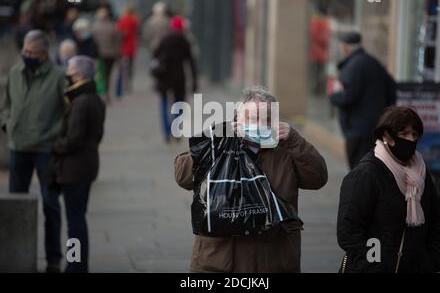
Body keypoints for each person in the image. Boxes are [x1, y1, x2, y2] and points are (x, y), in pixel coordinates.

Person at [174, 86, 328, 273]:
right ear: (238, 117)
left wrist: (295, 140)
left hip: (273, 261)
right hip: (219, 262)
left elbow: (318, 178)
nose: (259, 124)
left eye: (267, 119)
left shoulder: (286, 150)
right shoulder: (221, 139)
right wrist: (218, 140)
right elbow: (182, 176)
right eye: (252, 118)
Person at [337, 106, 440, 273]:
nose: (410, 139)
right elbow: (349, 232)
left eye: (414, 134)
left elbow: (436, 221)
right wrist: (375, 266)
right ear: (387, 136)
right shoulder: (366, 174)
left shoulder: (421, 174)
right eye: (404, 134)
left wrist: (431, 260)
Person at [0, 30, 66, 273]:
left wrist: (54, 134)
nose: (26, 55)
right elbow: (5, 105)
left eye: (31, 52)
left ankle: (53, 259)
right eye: (24, 51)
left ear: (44, 53)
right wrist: (8, 124)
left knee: (51, 204)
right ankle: (12, 257)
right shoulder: (15, 73)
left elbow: (68, 111)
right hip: (18, 148)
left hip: (46, 151)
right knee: (14, 205)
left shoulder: (59, 76)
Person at [50, 56, 106, 273]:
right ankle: (78, 264)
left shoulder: (81, 102)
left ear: (80, 75)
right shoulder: (94, 99)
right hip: (87, 165)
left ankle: (75, 265)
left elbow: (74, 139)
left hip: (75, 168)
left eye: (71, 71)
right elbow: (97, 134)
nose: (67, 74)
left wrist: (55, 146)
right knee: (77, 218)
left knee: (74, 221)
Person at [329, 31, 397, 169]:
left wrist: (333, 96)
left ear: (346, 47)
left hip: (357, 130)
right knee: (370, 168)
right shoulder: (373, 62)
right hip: (375, 127)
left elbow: (348, 97)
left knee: (358, 170)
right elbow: (392, 88)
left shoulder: (353, 66)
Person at [153, 15, 197, 143]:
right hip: (179, 78)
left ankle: (166, 133)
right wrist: (194, 81)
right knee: (179, 105)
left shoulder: (164, 40)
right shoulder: (185, 41)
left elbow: (155, 56)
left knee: (164, 104)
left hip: (164, 78)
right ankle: (176, 131)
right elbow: (191, 62)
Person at [92, 7, 122, 102]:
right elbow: (117, 41)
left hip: (99, 54)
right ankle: (106, 93)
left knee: (99, 74)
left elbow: (93, 41)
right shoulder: (112, 26)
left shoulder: (95, 27)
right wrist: (118, 53)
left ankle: (100, 92)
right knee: (108, 74)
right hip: (110, 54)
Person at [116, 4, 140, 94]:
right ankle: (128, 83)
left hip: (123, 47)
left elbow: (118, 32)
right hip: (132, 47)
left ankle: (123, 85)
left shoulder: (121, 20)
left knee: (122, 67)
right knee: (130, 67)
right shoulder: (135, 20)